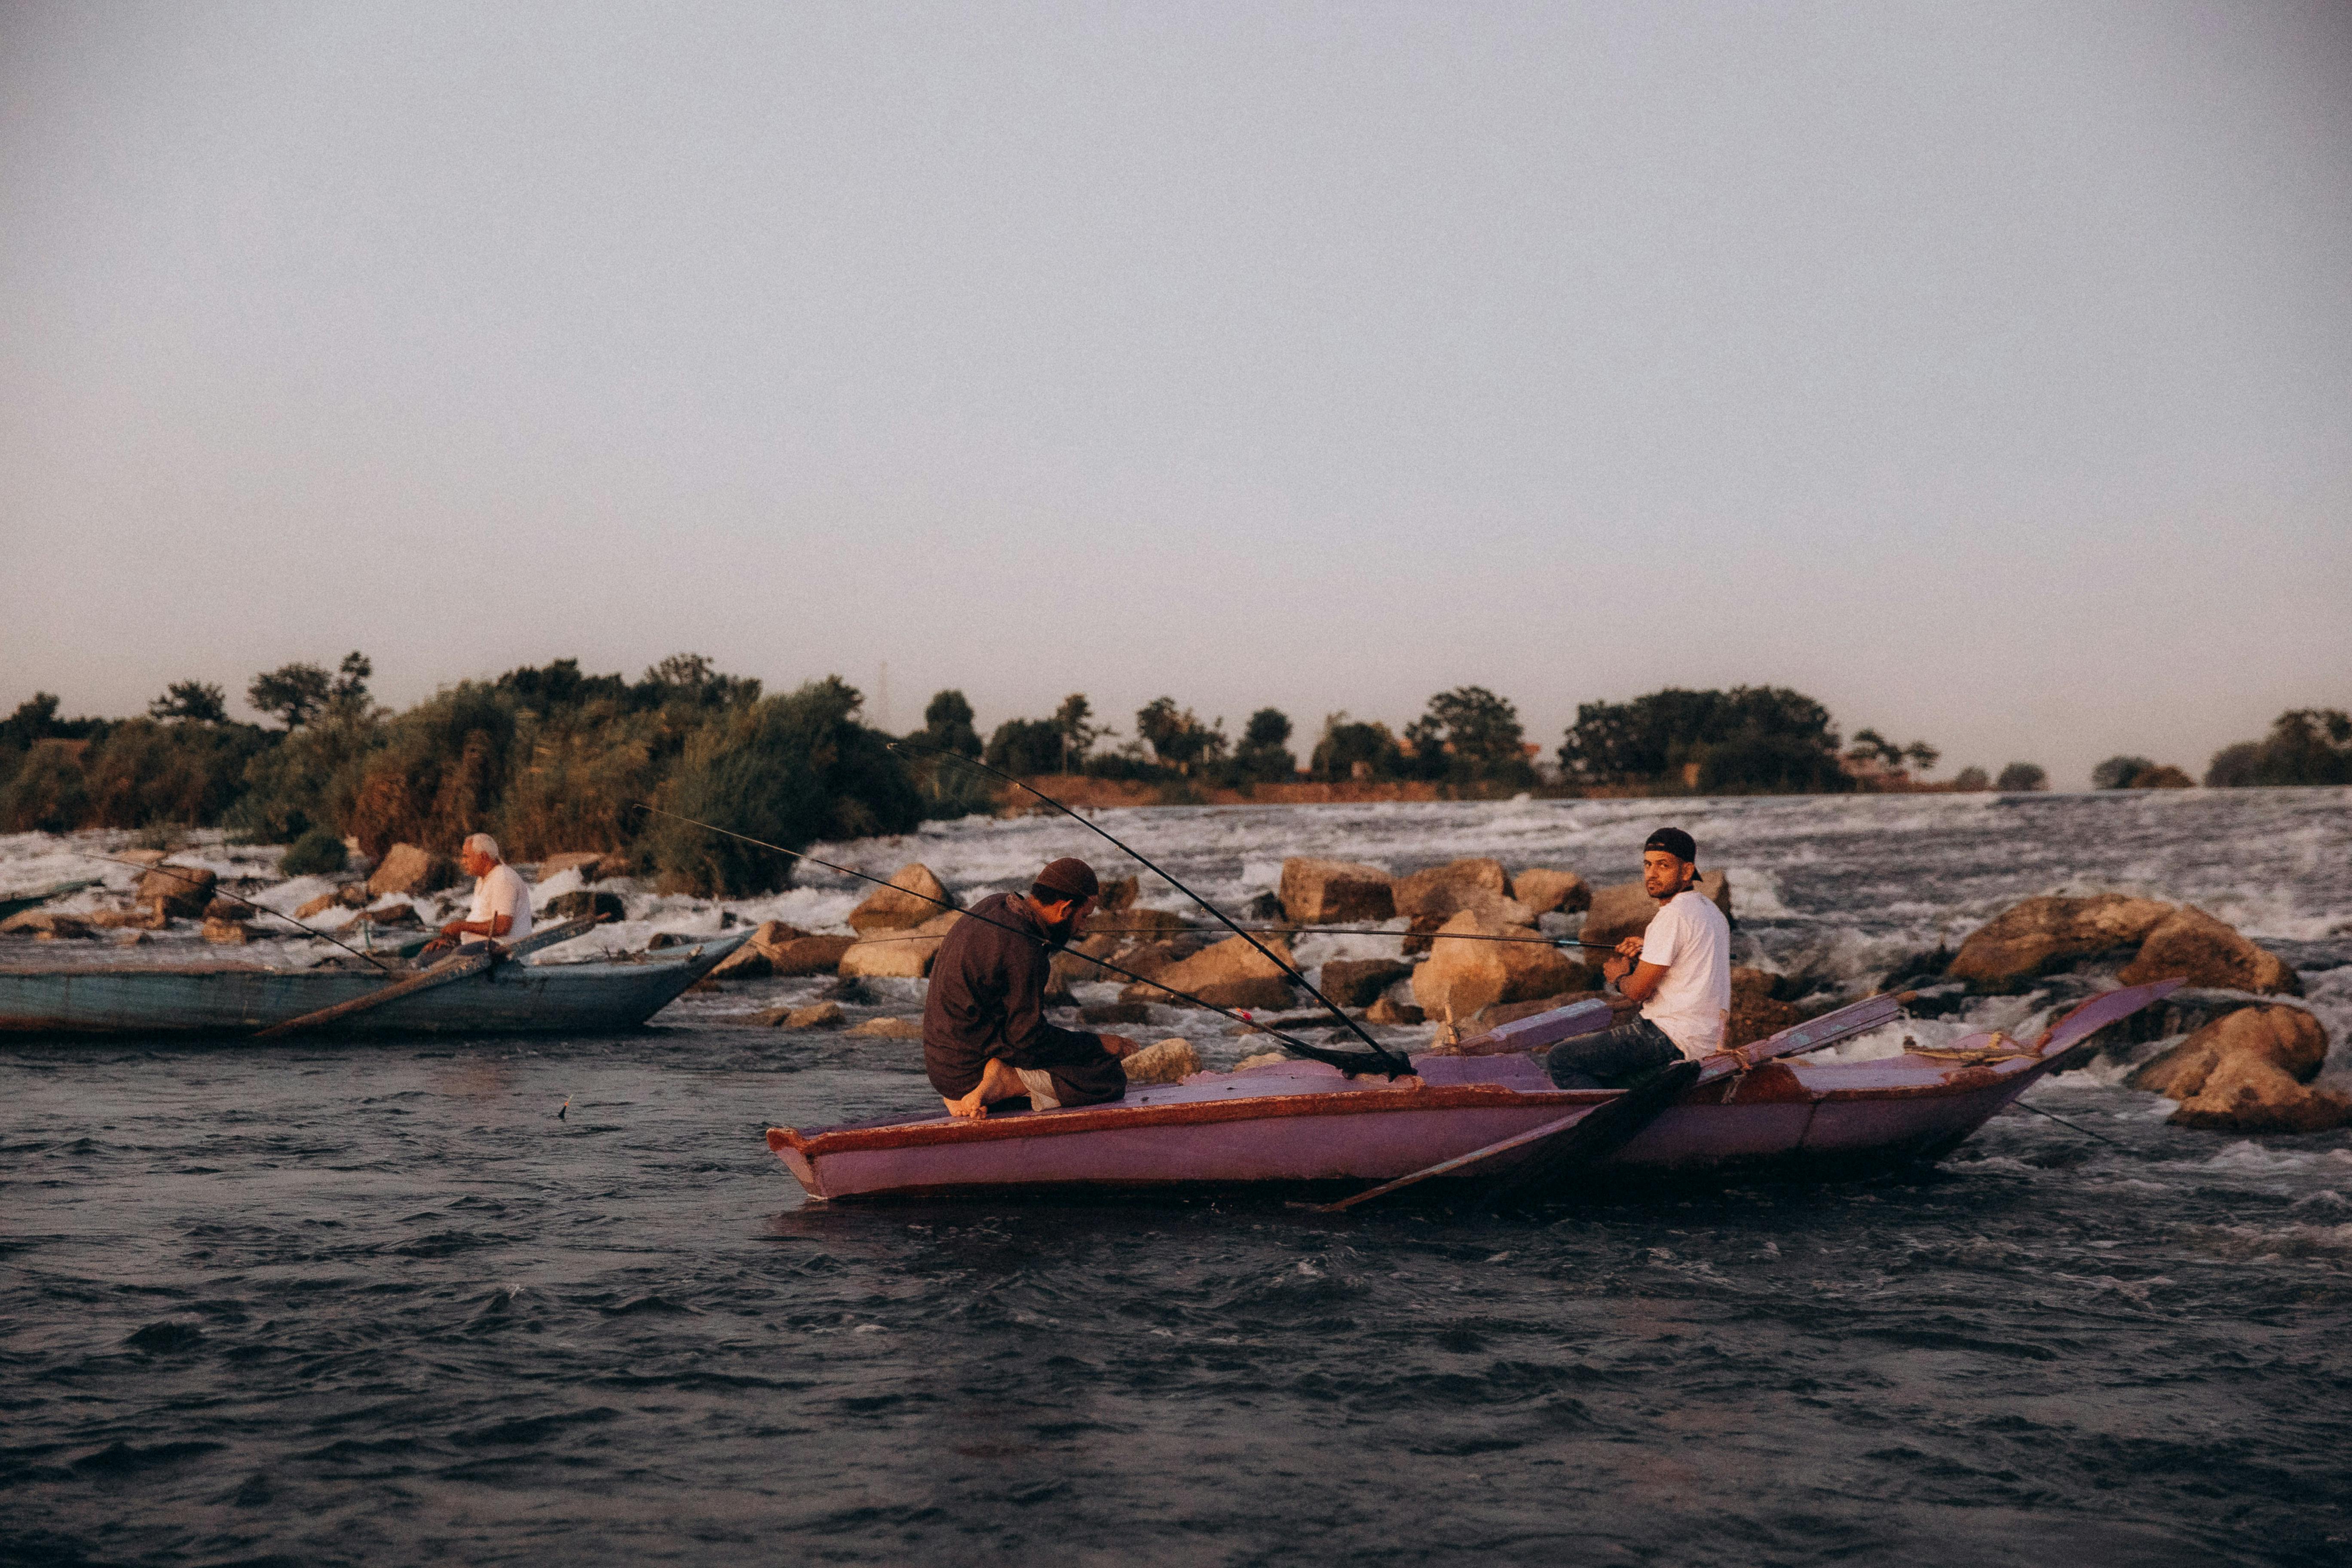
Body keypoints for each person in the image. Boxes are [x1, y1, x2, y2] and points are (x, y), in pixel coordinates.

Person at [923, 856, 1143, 1119]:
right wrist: (1096, 1044)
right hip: (968, 1072)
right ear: (1064, 909)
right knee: (1107, 1076)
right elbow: (1027, 1040)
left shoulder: (996, 903)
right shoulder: (1025, 950)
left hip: (941, 1066)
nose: (1082, 928)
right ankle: (1005, 1082)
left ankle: (993, 1083)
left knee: (1073, 1056)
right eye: (1083, 917)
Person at [1545, 827, 1730, 1089]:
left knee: (1561, 1059)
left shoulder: (1672, 916)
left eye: (1663, 866)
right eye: (1648, 865)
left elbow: (1638, 992)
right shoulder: (1709, 910)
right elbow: (1693, 955)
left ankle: (1605, 1125)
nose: (1652, 875)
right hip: (1705, 1039)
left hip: (1671, 1038)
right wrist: (1650, 946)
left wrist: (1618, 976)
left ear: (1687, 871)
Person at [419, 833, 533, 959]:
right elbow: (479, 922)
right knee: (428, 956)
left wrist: (461, 926)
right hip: (482, 946)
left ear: (483, 856)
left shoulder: (503, 879)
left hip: (504, 951)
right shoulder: (483, 880)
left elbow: (502, 927)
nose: (463, 862)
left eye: (467, 857)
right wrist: (451, 939)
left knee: (453, 959)